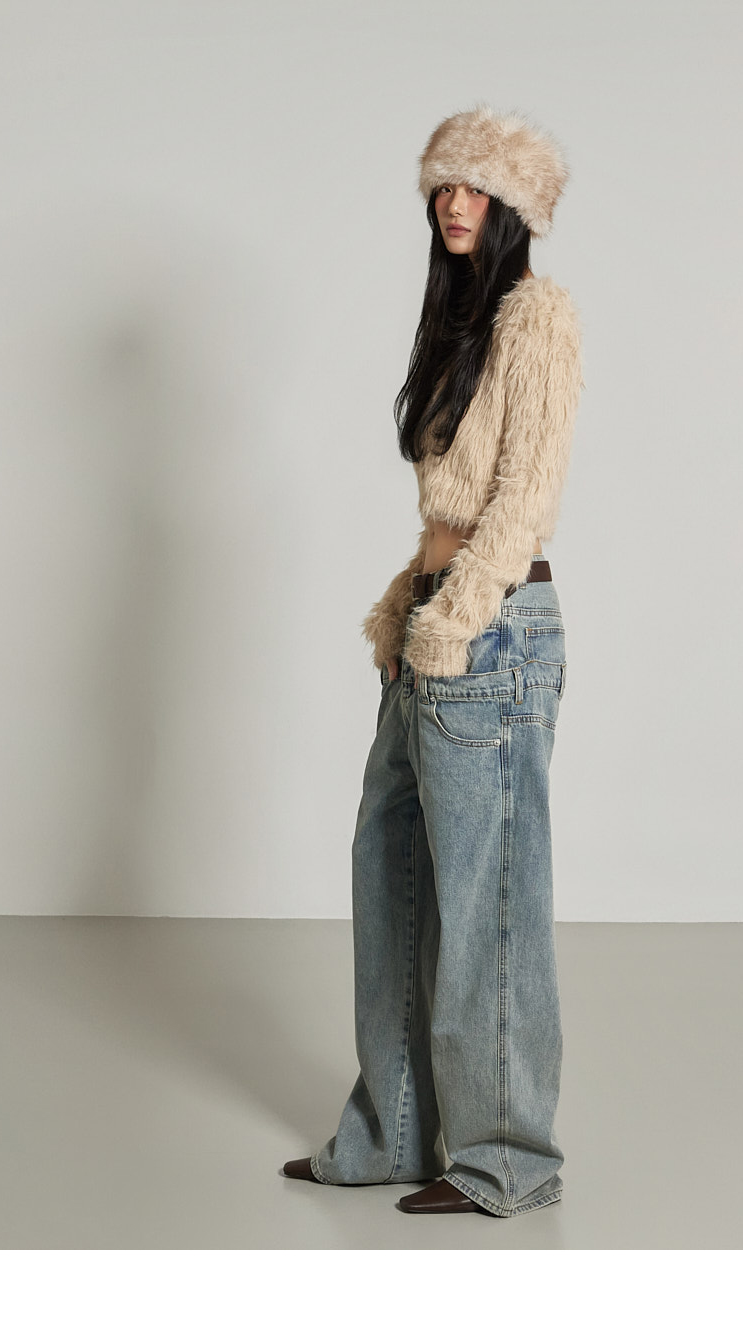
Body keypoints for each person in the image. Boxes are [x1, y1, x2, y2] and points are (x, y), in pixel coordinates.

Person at [282, 103, 584, 1218]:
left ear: (514, 207)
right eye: (443, 186)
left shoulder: (537, 317)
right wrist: (410, 614)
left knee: (487, 902)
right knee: (392, 881)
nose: (455, 203)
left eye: (476, 188)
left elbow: (524, 502)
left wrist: (453, 620)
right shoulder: (460, 324)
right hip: (431, 628)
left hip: (488, 634)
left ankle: (507, 1158)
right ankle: (394, 1134)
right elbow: (448, 509)